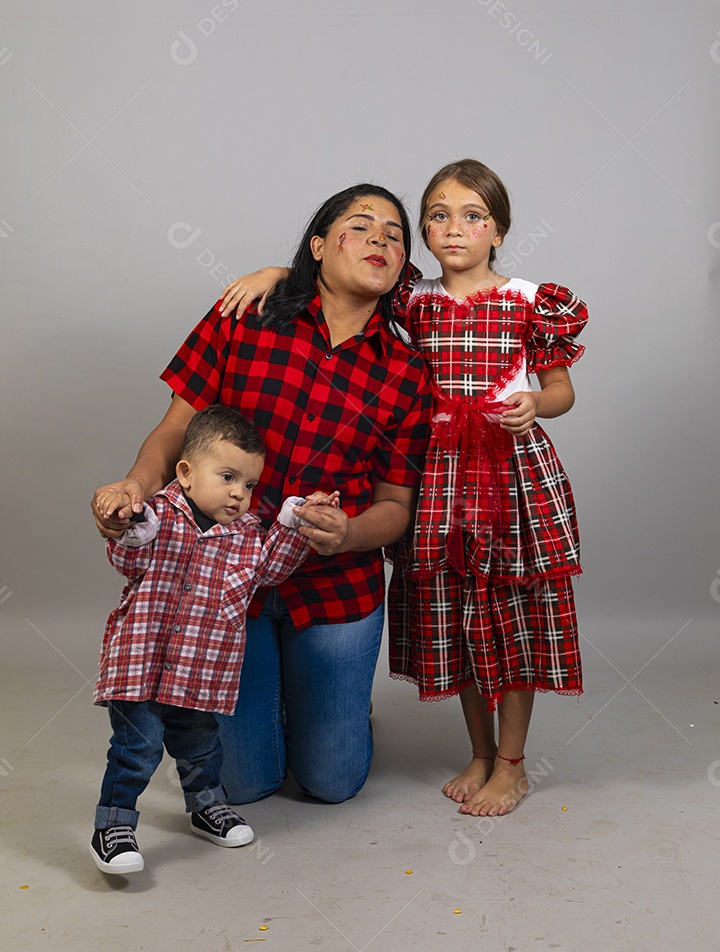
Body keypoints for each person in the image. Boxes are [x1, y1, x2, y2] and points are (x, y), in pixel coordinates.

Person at [221, 159, 588, 819]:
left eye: (474, 216)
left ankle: (512, 764)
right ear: (424, 228)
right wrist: (276, 273)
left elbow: (561, 387)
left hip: (509, 476)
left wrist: (538, 401)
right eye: (439, 216)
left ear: (498, 230)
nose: (456, 228)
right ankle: (478, 753)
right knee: (459, 617)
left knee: (511, 620)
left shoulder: (532, 300)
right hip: (441, 477)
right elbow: (336, 278)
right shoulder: (412, 301)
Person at [91, 184, 432, 813]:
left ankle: (341, 709)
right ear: (319, 245)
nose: (380, 238)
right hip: (225, 583)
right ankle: (280, 697)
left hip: (336, 588)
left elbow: (396, 506)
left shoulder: (408, 372)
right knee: (245, 785)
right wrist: (137, 486)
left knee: (333, 782)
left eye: (394, 233)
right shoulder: (244, 314)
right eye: (361, 226)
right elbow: (175, 428)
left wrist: (349, 533)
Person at [91, 405, 337, 874]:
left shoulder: (246, 534)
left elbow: (268, 572)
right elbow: (125, 559)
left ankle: (206, 807)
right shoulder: (156, 515)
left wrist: (293, 521)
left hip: (199, 670)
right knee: (136, 750)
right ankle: (113, 827)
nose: (239, 494)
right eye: (227, 477)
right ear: (185, 473)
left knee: (202, 746)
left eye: (248, 485)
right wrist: (130, 525)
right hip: (140, 663)